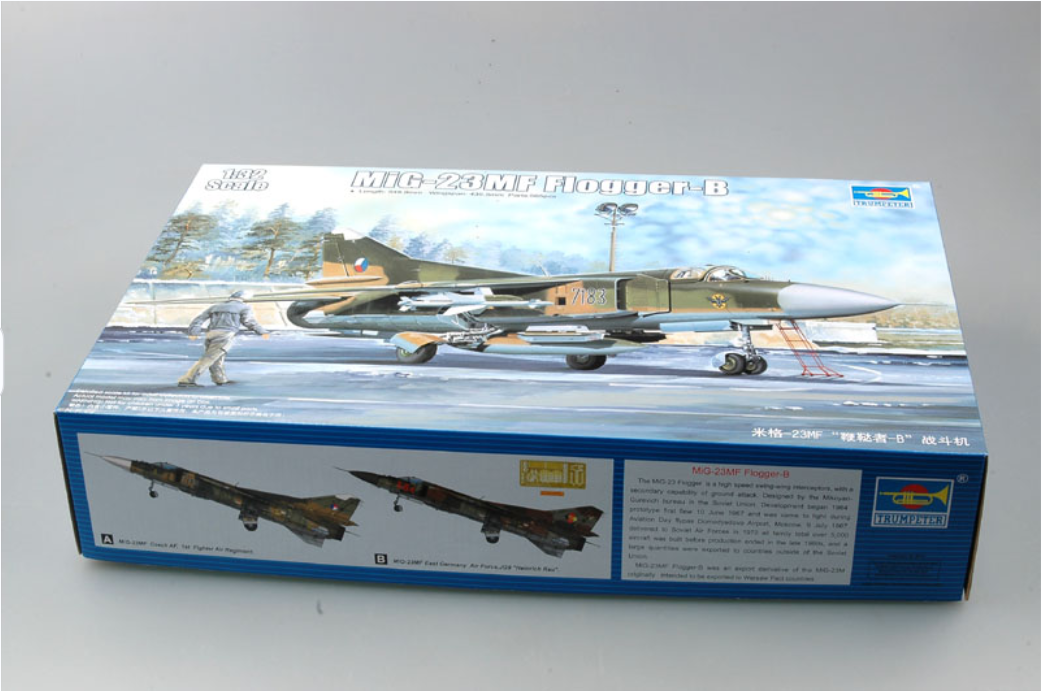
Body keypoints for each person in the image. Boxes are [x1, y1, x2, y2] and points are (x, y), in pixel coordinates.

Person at [178, 291, 269, 387]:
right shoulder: (244, 307)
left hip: (211, 333)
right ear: (244, 298)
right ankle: (187, 380)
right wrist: (262, 332)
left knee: (216, 356)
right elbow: (248, 321)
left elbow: (199, 319)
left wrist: (194, 332)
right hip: (226, 334)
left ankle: (220, 379)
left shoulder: (216, 306)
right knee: (209, 358)